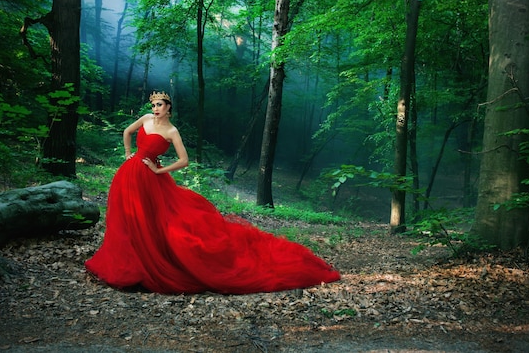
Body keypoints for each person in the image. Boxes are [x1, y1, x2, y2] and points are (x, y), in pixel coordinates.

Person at [85, 91, 340, 294]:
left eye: (160, 105)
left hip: (152, 178)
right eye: (153, 105)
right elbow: (126, 132)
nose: (155, 109)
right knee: (127, 219)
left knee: (155, 223)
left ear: (169, 108)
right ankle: (125, 266)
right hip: (129, 174)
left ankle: (145, 266)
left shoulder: (172, 131)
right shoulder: (145, 120)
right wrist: (129, 154)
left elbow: (183, 160)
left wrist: (159, 171)